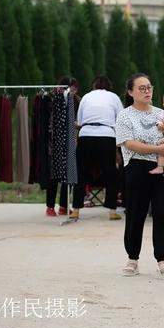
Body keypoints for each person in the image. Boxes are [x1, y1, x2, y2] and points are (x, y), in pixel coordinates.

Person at [115, 73, 164, 280]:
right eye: (141, 88)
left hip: (161, 168)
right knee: (136, 214)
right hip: (136, 167)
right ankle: (132, 258)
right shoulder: (125, 115)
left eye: (149, 87)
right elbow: (129, 143)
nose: (147, 91)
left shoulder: (162, 113)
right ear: (130, 92)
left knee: (163, 214)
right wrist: (157, 148)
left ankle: (163, 261)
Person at [70, 75, 123, 221]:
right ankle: (112, 211)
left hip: (86, 135)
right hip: (107, 135)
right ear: (109, 86)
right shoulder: (114, 97)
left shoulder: (86, 97)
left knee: (81, 172)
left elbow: (79, 121)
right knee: (111, 173)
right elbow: (121, 120)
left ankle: (76, 210)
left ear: (94, 86)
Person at [46, 76, 80, 217]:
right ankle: (50, 206)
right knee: (54, 174)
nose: (74, 91)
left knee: (69, 172)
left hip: (70, 140)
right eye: (73, 88)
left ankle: (64, 206)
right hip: (54, 141)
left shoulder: (76, 100)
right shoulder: (53, 99)